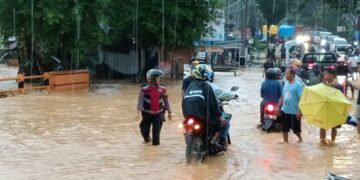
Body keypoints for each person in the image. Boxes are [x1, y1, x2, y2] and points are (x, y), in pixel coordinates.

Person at [182, 64, 225, 146]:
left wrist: (185, 116)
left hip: (188, 115)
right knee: (222, 124)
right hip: (202, 117)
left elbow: (184, 100)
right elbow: (214, 104)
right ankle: (213, 142)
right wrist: (220, 116)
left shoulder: (190, 85)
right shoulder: (206, 85)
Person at [136, 69, 172, 145]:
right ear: (151, 80)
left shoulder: (163, 89)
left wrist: (169, 112)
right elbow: (140, 100)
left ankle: (155, 149)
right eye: (158, 78)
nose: (160, 79)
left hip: (158, 115)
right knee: (144, 130)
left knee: (156, 139)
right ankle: (147, 139)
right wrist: (138, 112)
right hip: (147, 114)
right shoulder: (144, 89)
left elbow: (166, 101)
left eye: (160, 78)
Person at [276, 67, 304, 143]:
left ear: (292, 74)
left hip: (294, 112)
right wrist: (278, 107)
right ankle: (286, 143)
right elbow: (282, 96)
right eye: (285, 73)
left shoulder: (298, 85)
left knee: (296, 130)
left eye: (287, 73)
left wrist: (300, 111)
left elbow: (302, 99)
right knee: (284, 129)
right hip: (284, 110)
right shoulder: (286, 84)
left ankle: (300, 140)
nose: (285, 75)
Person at [320, 68, 344, 144]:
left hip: (334, 108)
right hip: (324, 108)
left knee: (334, 126)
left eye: (326, 74)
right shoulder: (323, 84)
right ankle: (322, 142)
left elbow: (342, 98)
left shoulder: (338, 85)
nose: (324, 76)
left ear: (332, 75)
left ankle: (333, 141)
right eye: (324, 74)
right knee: (322, 125)